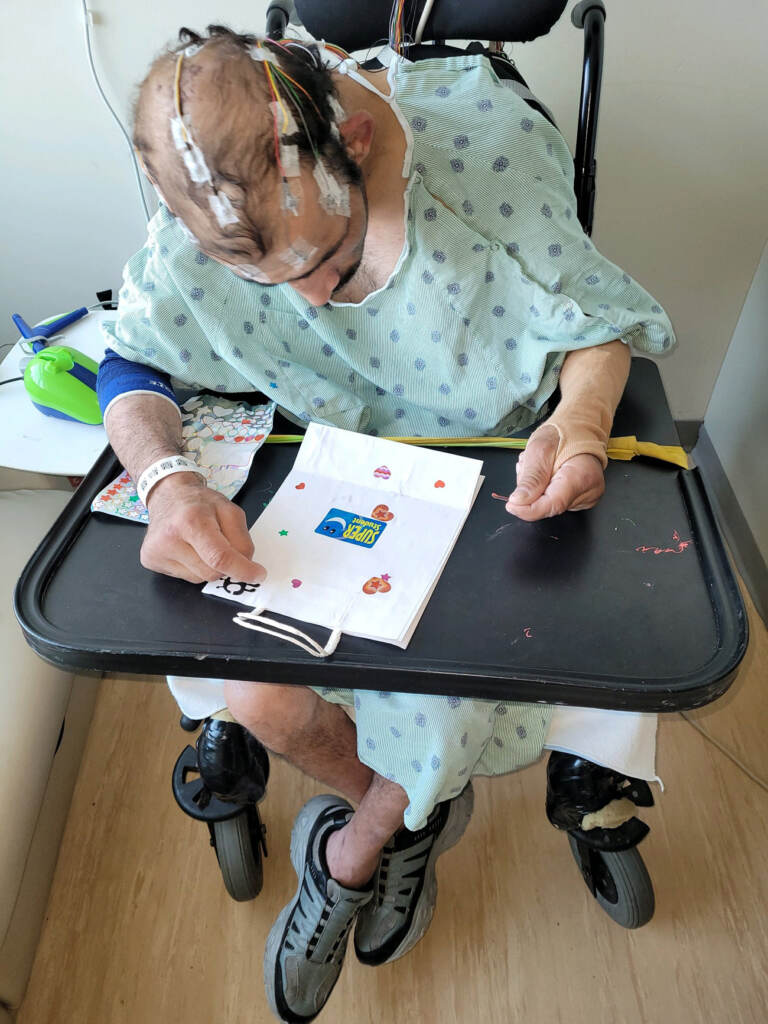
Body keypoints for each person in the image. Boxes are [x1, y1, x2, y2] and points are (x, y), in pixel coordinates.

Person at [98, 26, 675, 1022]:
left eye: (329, 258)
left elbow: (598, 326)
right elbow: (133, 364)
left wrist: (579, 423)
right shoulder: (220, 204)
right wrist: (166, 479)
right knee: (259, 699)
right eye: (270, 283)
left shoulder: (485, 164)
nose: (313, 299)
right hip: (327, 474)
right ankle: (402, 813)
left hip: (484, 476)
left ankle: (361, 846)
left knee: (447, 688)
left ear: (357, 141)